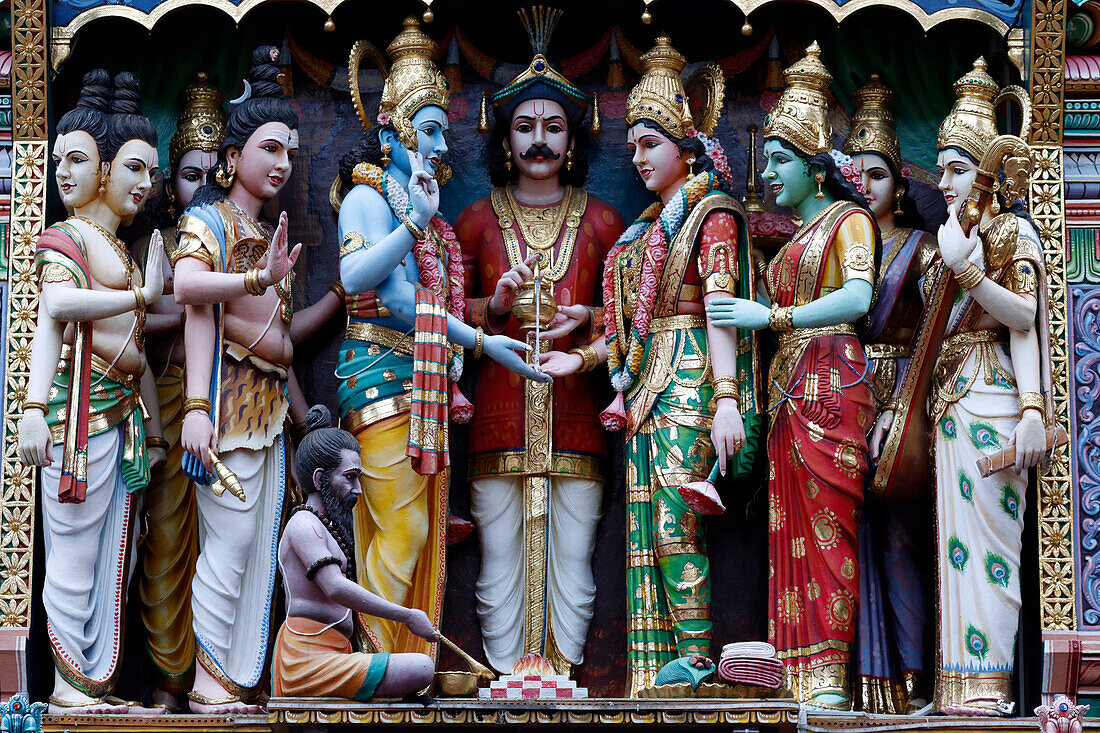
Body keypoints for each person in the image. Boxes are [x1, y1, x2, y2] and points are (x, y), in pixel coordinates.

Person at [541, 36, 760, 696]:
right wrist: (579, 354)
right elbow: (628, 333)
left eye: (649, 143)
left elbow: (719, 308)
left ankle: (694, 659)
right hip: (647, 386)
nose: (635, 157)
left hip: (692, 374)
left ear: (685, 146)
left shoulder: (710, 214)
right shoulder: (645, 230)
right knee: (646, 528)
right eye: (632, 144)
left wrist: (726, 398)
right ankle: (656, 672)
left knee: (675, 521)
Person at [335, 17, 547, 663]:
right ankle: (371, 664)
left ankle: (398, 662)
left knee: (415, 531)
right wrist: (481, 344)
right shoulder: (371, 198)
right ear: (392, 128)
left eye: (440, 132)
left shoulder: (414, 206)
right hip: (379, 373)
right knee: (403, 525)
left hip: (417, 376)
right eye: (427, 130)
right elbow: (368, 284)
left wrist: (486, 318)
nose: (437, 146)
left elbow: (426, 297)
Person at [706, 42, 878, 710]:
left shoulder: (850, 220)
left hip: (831, 383)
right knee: (789, 533)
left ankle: (829, 676)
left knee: (828, 533)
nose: (770, 171)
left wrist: (772, 317)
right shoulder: (783, 247)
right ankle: (797, 672)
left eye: (781, 159)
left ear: (815, 165)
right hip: (790, 394)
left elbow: (858, 298)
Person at [456, 6, 624, 676]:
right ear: (504, 137)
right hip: (497, 415)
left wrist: (586, 319)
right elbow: (443, 312)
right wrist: (490, 303)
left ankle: (563, 676)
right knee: (500, 561)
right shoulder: (474, 221)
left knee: (574, 560)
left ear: (573, 139)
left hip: (578, 416)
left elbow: (631, 317)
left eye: (553, 127)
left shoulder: (604, 221)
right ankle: (506, 677)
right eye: (525, 126)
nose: (539, 140)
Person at [18, 70, 167, 715]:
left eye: (75, 159)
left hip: (118, 419)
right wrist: (30, 411)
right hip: (76, 421)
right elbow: (54, 308)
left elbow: (133, 353)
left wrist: (157, 430)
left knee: (115, 558)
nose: (61, 172)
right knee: (76, 555)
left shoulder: (116, 245)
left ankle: (93, 683)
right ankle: (65, 686)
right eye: (60, 160)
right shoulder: (67, 238)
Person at [171, 46, 308, 714]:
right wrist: (196, 406)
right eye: (270, 147)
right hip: (224, 410)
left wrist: (306, 415)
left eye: (289, 151)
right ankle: (207, 679)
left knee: (257, 549)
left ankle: (233, 677)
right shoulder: (210, 219)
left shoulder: (263, 227)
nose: (282, 162)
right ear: (233, 155)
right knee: (225, 545)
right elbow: (191, 291)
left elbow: (278, 341)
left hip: (269, 410)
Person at [926, 58, 1050, 716]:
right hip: (952, 399)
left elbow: (1026, 318)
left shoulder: (1008, 230)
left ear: (989, 175)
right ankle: (958, 685)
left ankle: (989, 686)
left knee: (991, 558)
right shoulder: (953, 235)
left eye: (958, 168)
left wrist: (1033, 408)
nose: (943, 181)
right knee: (956, 554)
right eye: (941, 167)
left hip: (995, 399)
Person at [841, 73, 936, 714]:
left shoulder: (918, 247)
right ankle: (861, 680)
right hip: (846, 390)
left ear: (899, 184)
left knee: (901, 533)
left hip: (903, 392)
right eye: (858, 175)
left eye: (878, 176)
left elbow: (935, 329)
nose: (867, 188)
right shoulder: (836, 241)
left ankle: (913, 672)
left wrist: (905, 408)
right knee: (849, 532)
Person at [273, 405, 437, 701]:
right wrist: (407, 615)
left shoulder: (325, 527)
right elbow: (334, 587)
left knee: (419, 670)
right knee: (422, 667)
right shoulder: (303, 525)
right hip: (305, 659)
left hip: (334, 654)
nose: (358, 489)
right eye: (350, 477)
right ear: (319, 478)